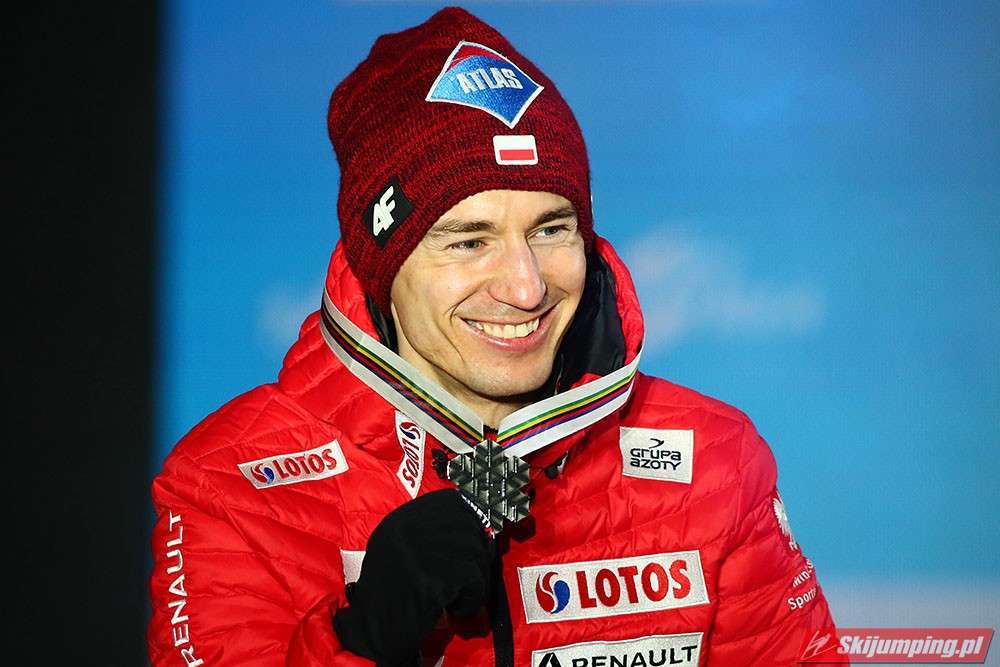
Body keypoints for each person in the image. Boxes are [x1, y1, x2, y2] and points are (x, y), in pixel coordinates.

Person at [148, 7, 843, 666]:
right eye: (469, 241)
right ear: (381, 264)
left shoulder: (713, 461)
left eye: (551, 229)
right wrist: (363, 638)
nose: (525, 287)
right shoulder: (231, 484)